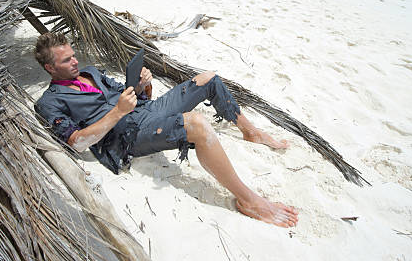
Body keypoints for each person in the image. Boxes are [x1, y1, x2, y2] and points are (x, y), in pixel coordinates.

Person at [34, 32, 298, 227]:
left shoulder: (90, 73)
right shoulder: (50, 102)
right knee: (196, 124)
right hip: (125, 136)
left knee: (208, 78)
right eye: (66, 60)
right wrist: (118, 112)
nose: (75, 62)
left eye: (74, 55)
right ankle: (248, 200)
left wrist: (141, 86)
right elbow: (77, 143)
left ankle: (249, 131)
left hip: (142, 112)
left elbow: (129, 94)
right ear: (49, 67)